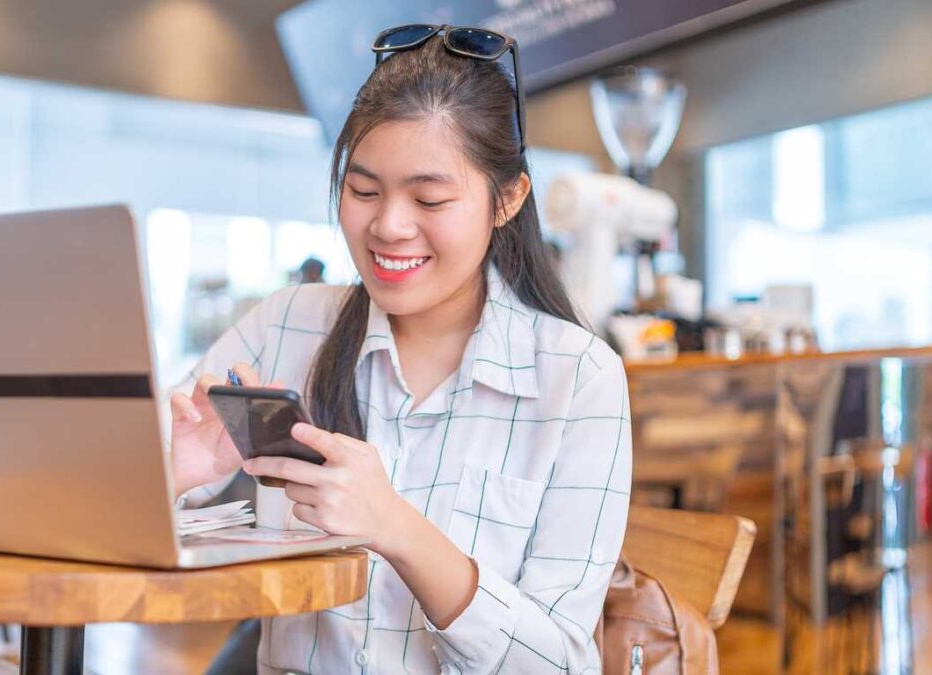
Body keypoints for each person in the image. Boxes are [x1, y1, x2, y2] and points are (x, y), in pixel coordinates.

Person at [169, 25, 631, 674]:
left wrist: (395, 525)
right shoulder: (288, 322)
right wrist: (173, 469)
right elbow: (104, 516)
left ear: (508, 199)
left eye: (429, 197)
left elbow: (558, 663)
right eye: (363, 190)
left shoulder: (579, 378)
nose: (387, 225)